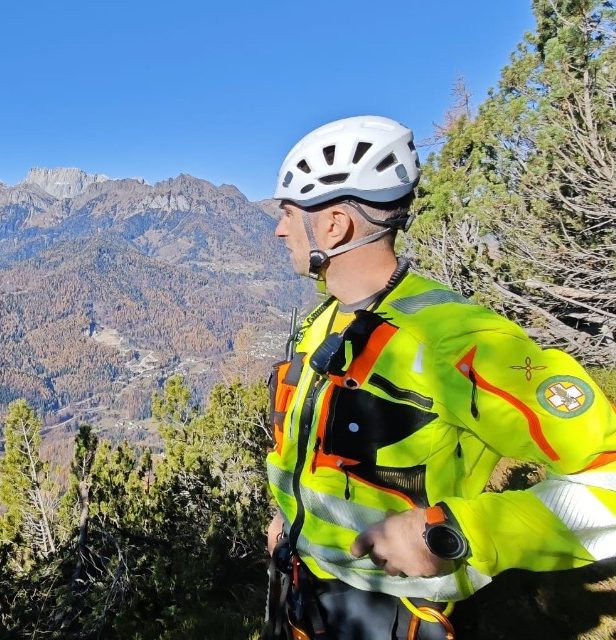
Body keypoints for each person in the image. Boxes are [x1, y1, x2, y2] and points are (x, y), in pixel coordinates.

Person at [262, 115, 616, 639]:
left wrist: (456, 532)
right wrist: (291, 521)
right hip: (302, 596)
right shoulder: (328, 320)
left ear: (334, 225)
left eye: (288, 213)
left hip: (400, 617)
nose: (279, 228)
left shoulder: (457, 340)